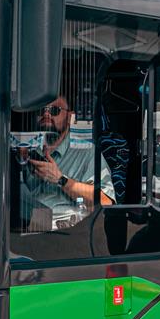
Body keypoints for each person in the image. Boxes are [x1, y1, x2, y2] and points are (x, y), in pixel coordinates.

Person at [18, 95, 115, 229]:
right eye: (41, 110)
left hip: (65, 236)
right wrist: (18, 161)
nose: (46, 114)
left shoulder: (87, 153)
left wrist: (61, 179)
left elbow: (106, 202)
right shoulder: (27, 150)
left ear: (70, 117)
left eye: (54, 110)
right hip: (24, 228)